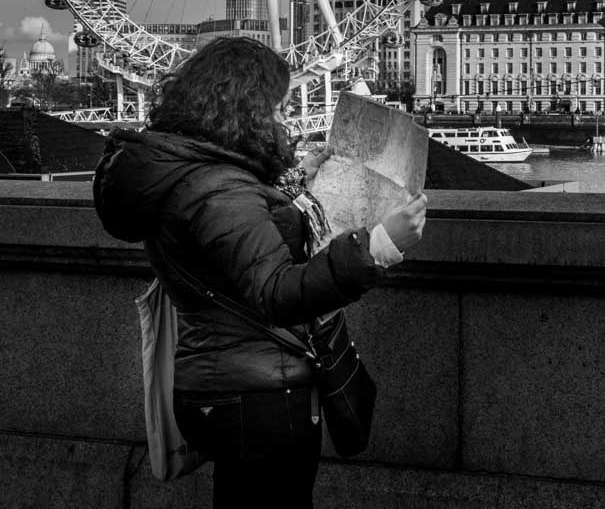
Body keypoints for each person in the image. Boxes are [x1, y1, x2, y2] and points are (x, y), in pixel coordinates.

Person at [93, 37, 426, 509]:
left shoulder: (187, 173)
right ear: (245, 108)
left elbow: (235, 249)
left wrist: (298, 185)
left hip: (224, 386)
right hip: (260, 396)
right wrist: (379, 246)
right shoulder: (218, 190)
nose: (285, 121)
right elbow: (275, 292)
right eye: (279, 109)